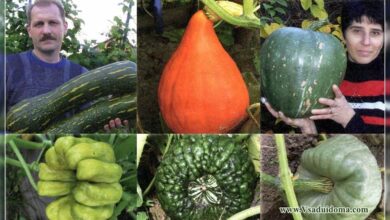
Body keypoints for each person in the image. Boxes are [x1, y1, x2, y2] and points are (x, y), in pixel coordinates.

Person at [263, 0, 386, 134]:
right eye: (357, 31)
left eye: (375, 33)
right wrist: (307, 126)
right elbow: (323, 145)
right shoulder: (321, 74)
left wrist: (349, 119)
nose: (366, 42)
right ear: (344, 34)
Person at [6, 0, 127, 132]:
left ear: (64, 27)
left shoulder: (82, 75)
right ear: (29, 30)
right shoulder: (8, 68)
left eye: (53, 22)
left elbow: (89, 123)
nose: (46, 30)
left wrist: (110, 126)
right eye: (39, 24)